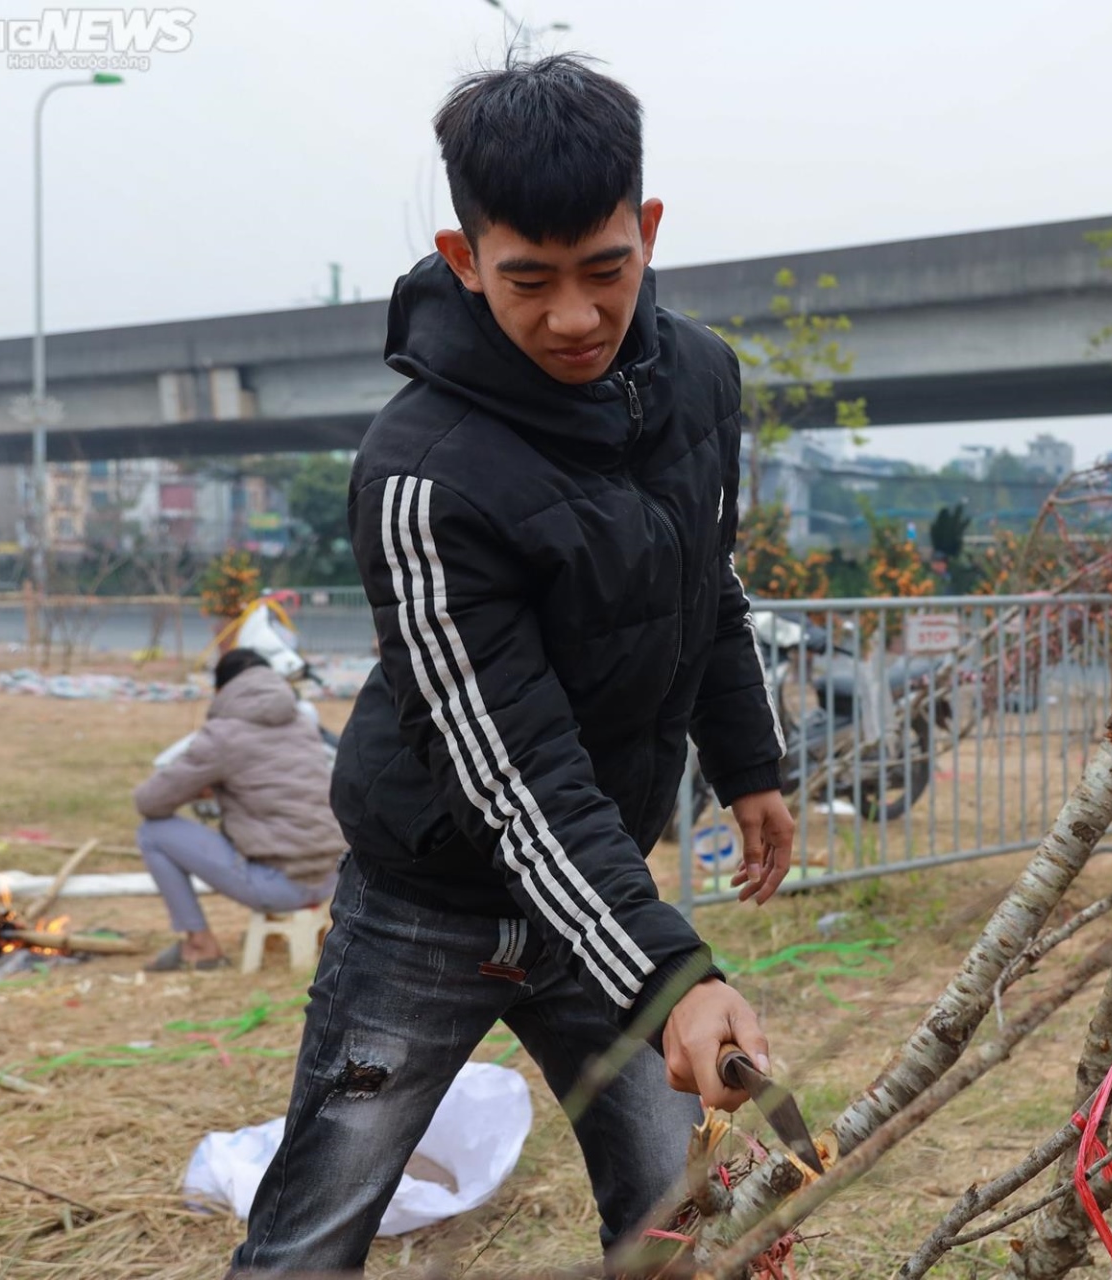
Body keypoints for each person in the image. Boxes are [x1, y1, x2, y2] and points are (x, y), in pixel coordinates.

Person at [231, 53, 797, 1273]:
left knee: (674, 1201)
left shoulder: (701, 376)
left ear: (646, 230)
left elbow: (701, 580)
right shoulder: (421, 472)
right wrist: (672, 974)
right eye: (528, 280)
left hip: (600, 898)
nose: (576, 317)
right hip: (431, 899)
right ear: (462, 257)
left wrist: (749, 755)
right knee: (316, 1226)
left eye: (606, 269)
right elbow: (512, 776)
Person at [133, 648, 343, 972]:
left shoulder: (223, 735)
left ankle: (200, 945)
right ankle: (274, 931)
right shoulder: (301, 722)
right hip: (332, 879)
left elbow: (149, 802)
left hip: (281, 885)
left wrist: (199, 789)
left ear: (222, 690)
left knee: (153, 833)